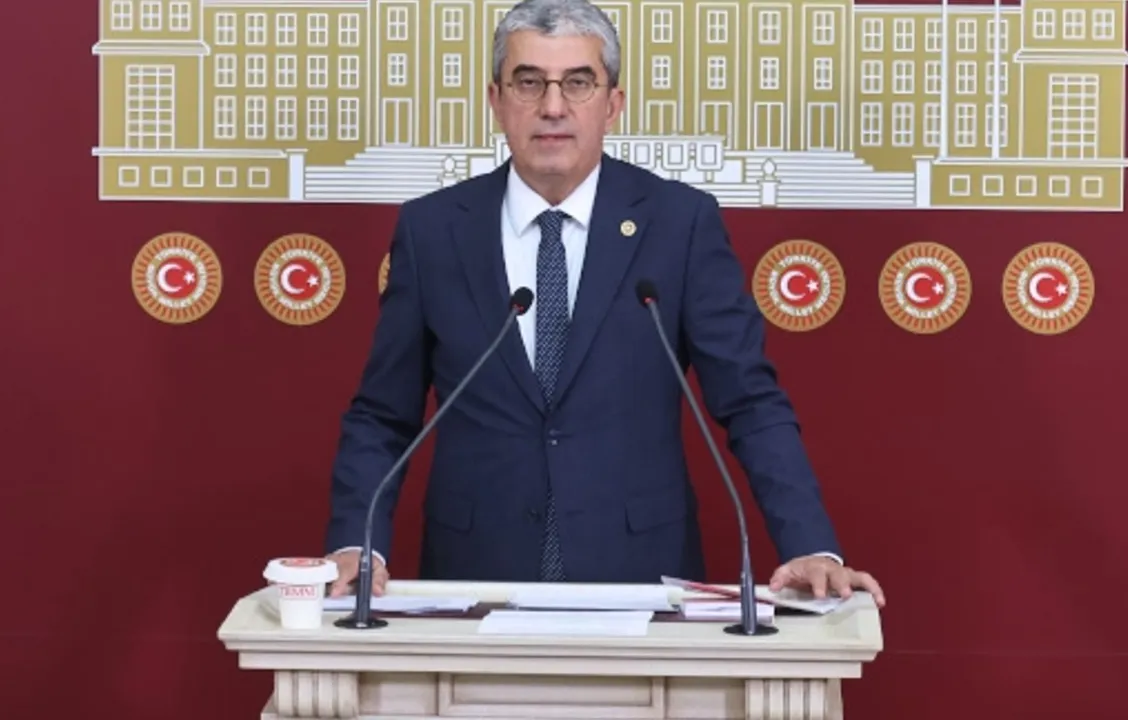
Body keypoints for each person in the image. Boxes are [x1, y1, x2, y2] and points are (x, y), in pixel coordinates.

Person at [323, 0, 884, 607]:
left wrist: (810, 545)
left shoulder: (678, 223)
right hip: (476, 575)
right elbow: (383, 414)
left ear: (612, 104)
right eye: (529, 82)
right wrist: (358, 543)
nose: (553, 106)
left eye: (578, 83)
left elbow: (750, 401)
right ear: (496, 101)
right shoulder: (433, 230)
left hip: (638, 575)